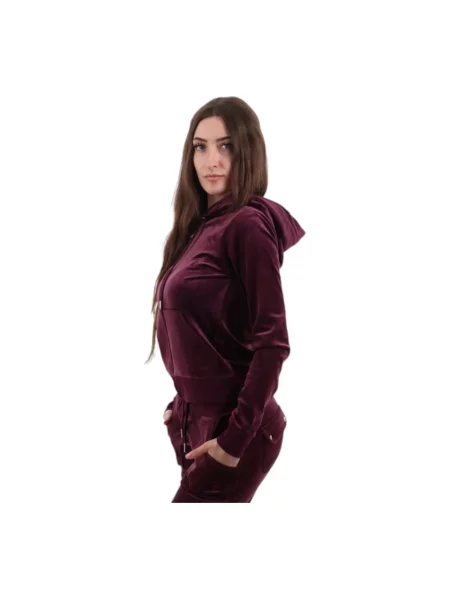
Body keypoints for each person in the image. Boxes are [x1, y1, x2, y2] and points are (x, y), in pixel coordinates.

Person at [144, 96, 306, 502]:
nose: (211, 160)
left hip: (238, 434)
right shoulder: (197, 228)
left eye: (226, 146)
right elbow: (202, 331)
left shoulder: (247, 226)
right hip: (199, 427)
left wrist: (234, 441)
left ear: (248, 152)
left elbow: (273, 344)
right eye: (200, 147)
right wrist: (181, 407)